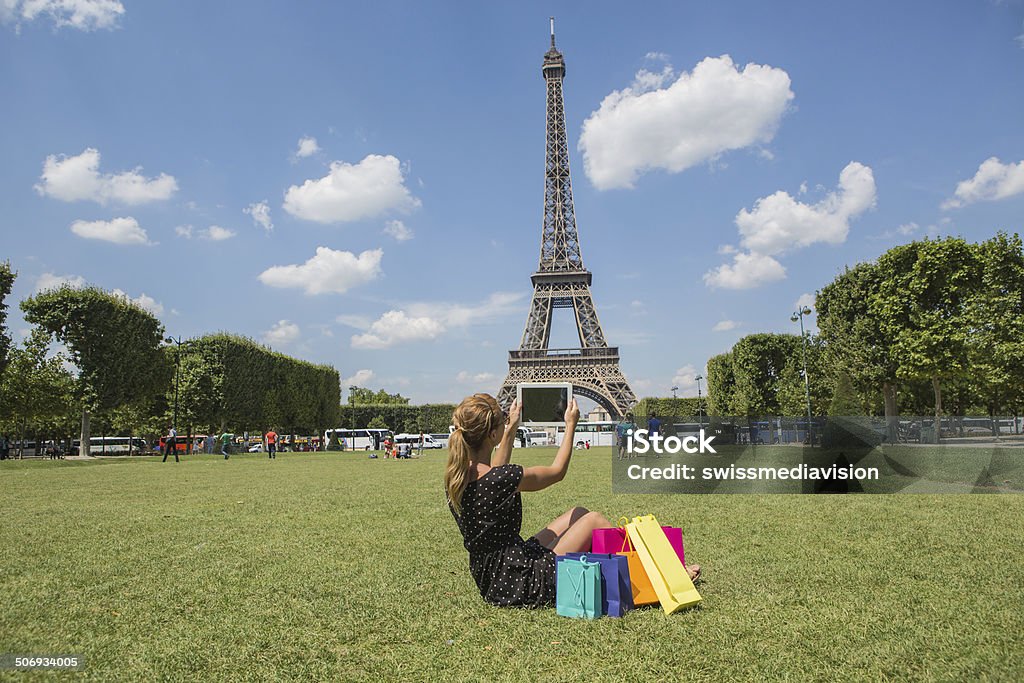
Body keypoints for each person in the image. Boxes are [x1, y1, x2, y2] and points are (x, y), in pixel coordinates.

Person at [445, 394, 616, 607]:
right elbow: (557, 472)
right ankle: (635, 576)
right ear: (492, 434)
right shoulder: (501, 479)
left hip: (495, 579)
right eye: (503, 421)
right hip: (522, 582)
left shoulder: (456, 479)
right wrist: (571, 425)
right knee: (594, 520)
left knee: (578, 513)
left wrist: (511, 427)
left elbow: (495, 473)